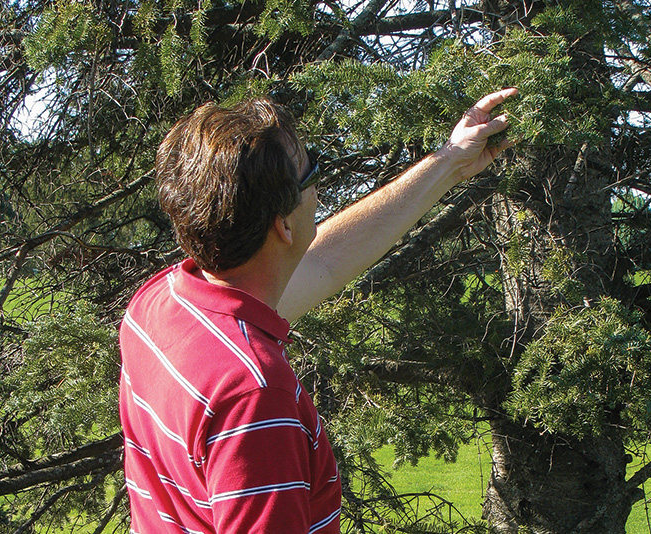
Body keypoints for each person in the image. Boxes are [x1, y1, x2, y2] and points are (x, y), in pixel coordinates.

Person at [118, 88, 519, 534]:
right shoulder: (252, 393)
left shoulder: (158, 304)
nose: (320, 187)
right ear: (283, 225)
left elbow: (325, 263)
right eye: (314, 171)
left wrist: (449, 163)